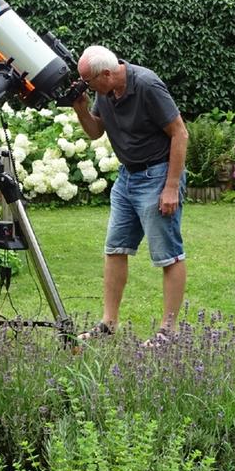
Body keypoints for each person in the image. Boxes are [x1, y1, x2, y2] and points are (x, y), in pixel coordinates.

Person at [69, 45, 189, 345]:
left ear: (107, 74)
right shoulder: (104, 90)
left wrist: (171, 186)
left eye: (89, 82)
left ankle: (168, 332)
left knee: (168, 254)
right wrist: (80, 107)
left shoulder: (146, 85)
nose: (87, 86)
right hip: (127, 178)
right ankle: (108, 325)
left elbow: (180, 133)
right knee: (115, 249)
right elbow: (96, 131)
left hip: (158, 175)